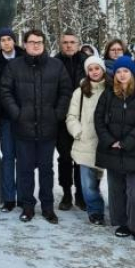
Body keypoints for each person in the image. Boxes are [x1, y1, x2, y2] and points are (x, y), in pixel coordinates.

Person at [0, 29, 73, 223]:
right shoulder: (14, 66)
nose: (36, 45)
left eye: (39, 42)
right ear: (24, 44)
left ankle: (48, 207)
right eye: (32, 42)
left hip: (48, 128)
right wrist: (17, 113)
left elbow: (66, 91)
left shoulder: (56, 66)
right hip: (23, 128)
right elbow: (5, 91)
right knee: (25, 170)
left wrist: (57, 114)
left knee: (46, 170)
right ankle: (28, 206)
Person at [95, 56, 135, 242]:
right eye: (118, 71)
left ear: (132, 73)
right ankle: (121, 223)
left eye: (125, 71)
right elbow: (99, 119)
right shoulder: (109, 93)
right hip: (112, 149)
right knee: (116, 188)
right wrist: (110, 140)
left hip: (134, 150)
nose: (122, 75)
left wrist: (127, 142)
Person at [65, 55, 107, 225]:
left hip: (107, 142)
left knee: (107, 180)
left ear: (102, 69)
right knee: (88, 183)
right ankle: (95, 211)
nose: (94, 72)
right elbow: (71, 116)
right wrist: (78, 132)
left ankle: (120, 209)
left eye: (97, 68)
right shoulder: (80, 91)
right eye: (90, 69)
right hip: (86, 142)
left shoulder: (112, 88)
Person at [54, 30, 87, 210]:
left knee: (81, 158)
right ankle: (66, 193)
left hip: (83, 118)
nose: (68, 45)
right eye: (65, 42)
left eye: (72, 42)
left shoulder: (86, 63)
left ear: (78, 44)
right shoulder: (55, 62)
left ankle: (81, 194)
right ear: (61, 44)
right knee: (65, 158)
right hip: (61, 118)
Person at [0, 27, 24, 212]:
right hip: (4, 117)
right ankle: (9, 198)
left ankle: (23, 195)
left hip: (23, 115)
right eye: (2, 40)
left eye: (9, 39)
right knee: (8, 157)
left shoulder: (23, 57)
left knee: (24, 158)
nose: (6, 42)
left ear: (14, 40)